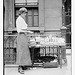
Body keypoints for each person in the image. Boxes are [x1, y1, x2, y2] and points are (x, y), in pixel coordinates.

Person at [16, 7, 33, 74]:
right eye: (25, 13)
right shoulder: (19, 19)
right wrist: (28, 31)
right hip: (21, 36)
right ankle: (19, 67)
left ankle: (23, 65)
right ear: (22, 13)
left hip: (24, 36)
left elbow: (24, 28)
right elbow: (19, 30)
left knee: (25, 51)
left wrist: (27, 31)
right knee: (21, 51)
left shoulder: (22, 19)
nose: (25, 14)